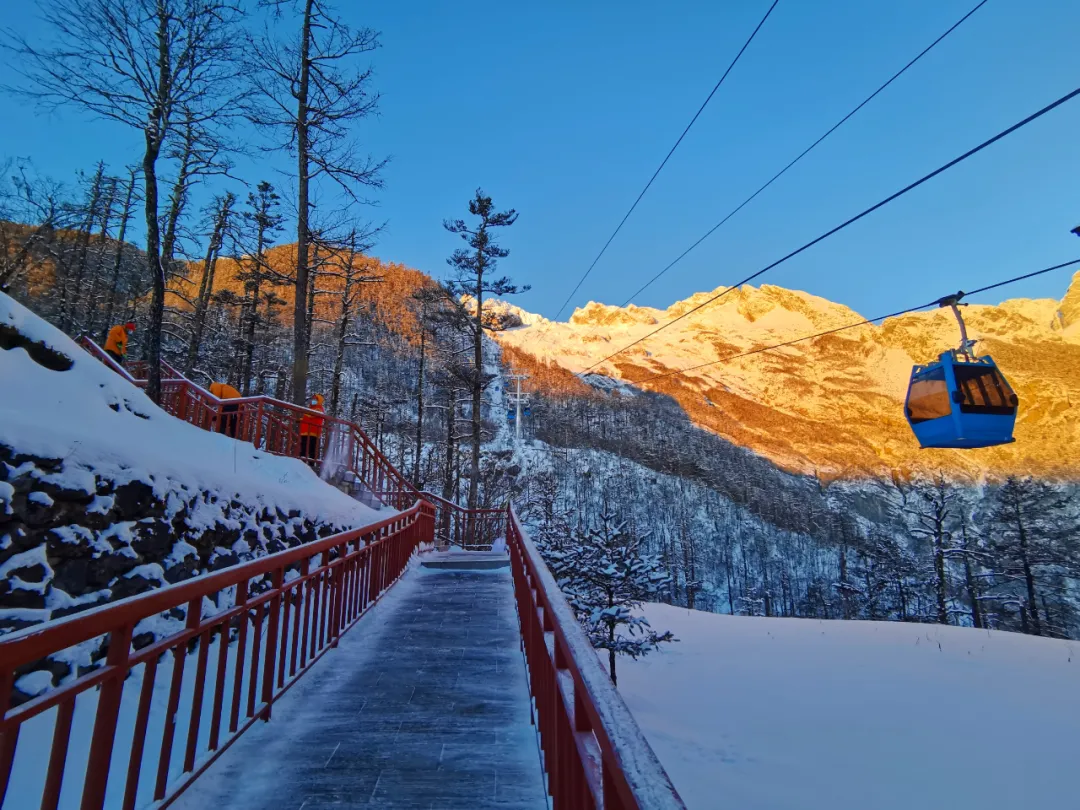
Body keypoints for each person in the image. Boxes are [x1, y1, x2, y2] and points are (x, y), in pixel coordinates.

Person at [299, 393, 325, 466]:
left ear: (318, 400)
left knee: (311, 449)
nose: (312, 401)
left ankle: (311, 464)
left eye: (315, 399)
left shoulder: (319, 408)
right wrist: (300, 419)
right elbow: (307, 418)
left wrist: (304, 412)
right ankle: (302, 461)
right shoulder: (311, 409)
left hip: (313, 432)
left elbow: (312, 415)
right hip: (306, 431)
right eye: (312, 399)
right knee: (303, 446)